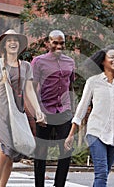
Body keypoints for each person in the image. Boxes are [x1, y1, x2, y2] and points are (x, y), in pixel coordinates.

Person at [0, 29, 46, 187]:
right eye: (9, 40)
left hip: (16, 114)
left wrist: (38, 111)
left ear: (20, 45)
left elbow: (29, 91)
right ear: (3, 45)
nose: (12, 42)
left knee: (10, 155)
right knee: (3, 151)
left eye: (15, 40)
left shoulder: (26, 67)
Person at [64, 44, 114, 187]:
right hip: (96, 133)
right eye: (111, 57)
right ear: (103, 61)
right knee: (101, 173)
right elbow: (81, 109)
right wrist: (71, 134)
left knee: (104, 172)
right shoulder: (93, 82)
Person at [31, 30, 75, 187]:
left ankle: (59, 185)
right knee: (41, 152)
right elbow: (32, 88)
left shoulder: (70, 62)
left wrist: (72, 111)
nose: (58, 46)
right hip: (44, 111)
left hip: (64, 111)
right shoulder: (38, 61)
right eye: (55, 42)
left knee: (66, 150)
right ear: (48, 43)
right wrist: (37, 112)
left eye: (61, 43)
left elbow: (71, 87)